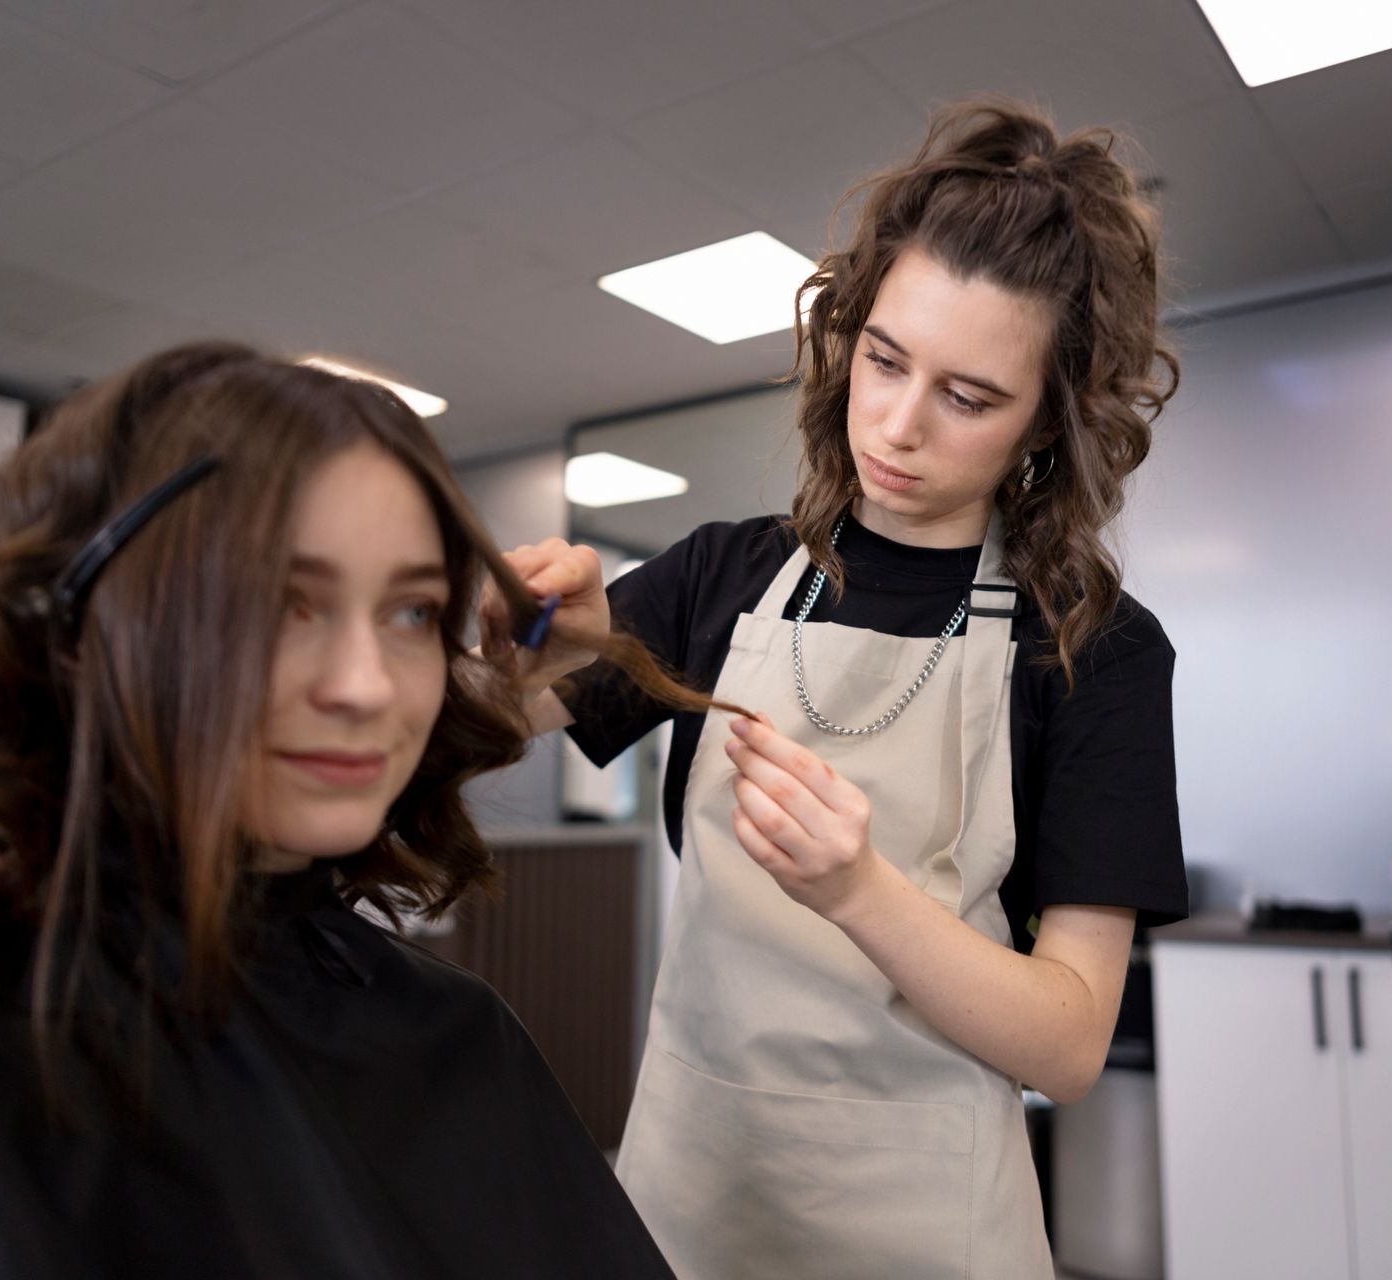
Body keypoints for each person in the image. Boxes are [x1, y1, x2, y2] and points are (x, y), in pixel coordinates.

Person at [499, 99, 1190, 1278]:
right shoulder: (724, 575)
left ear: (1044, 426)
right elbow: (477, 728)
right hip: (689, 1195)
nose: (898, 424)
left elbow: (1072, 1042)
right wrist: (499, 637)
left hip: (926, 1223)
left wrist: (860, 889)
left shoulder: (1094, 650)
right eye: (883, 359)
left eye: (968, 397)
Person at [0, 342, 698, 1279]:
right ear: (83, 625)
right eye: (283, 605)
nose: (368, 686)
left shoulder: (458, 1036)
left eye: (412, 612)